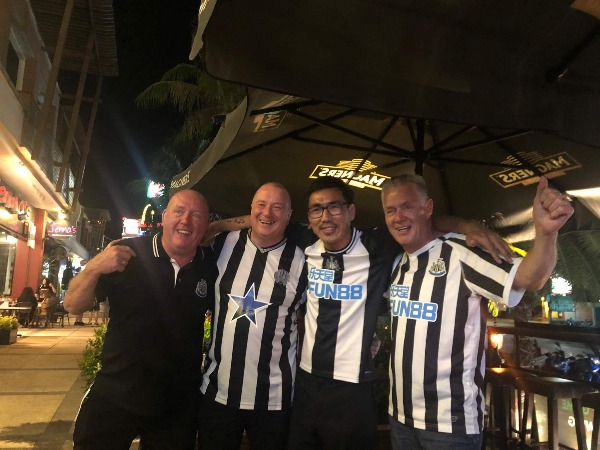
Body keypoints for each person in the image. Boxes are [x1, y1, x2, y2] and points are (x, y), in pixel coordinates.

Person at [214, 177, 506, 449]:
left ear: (351, 211)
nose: (325, 217)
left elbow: (421, 220)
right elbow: (266, 220)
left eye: (334, 207)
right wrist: (217, 226)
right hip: (306, 384)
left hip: (352, 390)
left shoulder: (377, 245)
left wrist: (466, 226)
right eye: (317, 209)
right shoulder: (306, 238)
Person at [381, 174, 573, 450]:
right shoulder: (398, 264)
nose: (398, 217)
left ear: (428, 208)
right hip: (400, 417)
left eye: (407, 206)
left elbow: (529, 278)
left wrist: (546, 233)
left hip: (450, 424)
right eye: (391, 210)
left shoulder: (462, 253)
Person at [64, 190, 217, 450]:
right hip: (116, 393)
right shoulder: (127, 253)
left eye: (196, 216)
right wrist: (94, 267)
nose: (186, 220)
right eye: (179, 212)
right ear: (164, 217)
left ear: (205, 225)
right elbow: (72, 305)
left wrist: (223, 225)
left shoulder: (209, 265)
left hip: (175, 404)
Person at [199, 182, 307, 450]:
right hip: (218, 392)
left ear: (289, 215)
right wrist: (220, 225)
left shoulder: (303, 260)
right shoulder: (221, 245)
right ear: (250, 209)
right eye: (261, 204)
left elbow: (322, 313)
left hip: (274, 401)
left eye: (277, 207)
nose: (267, 212)